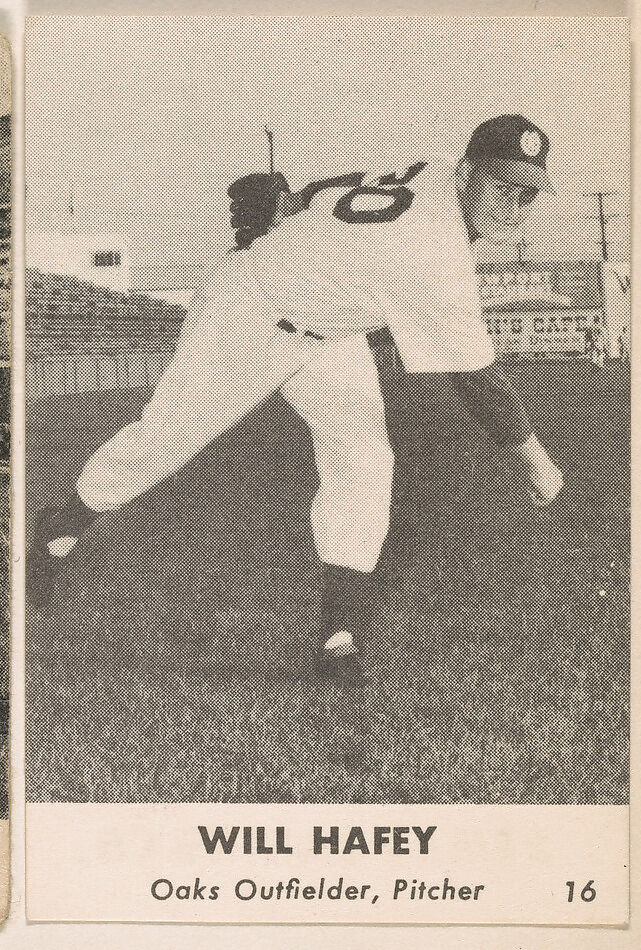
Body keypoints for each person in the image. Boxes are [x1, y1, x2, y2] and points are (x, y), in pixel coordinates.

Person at [27, 114, 563, 685]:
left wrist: (289, 205)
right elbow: (476, 380)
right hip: (247, 317)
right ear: (465, 172)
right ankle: (59, 526)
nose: (510, 202)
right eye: (500, 185)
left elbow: (332, 188)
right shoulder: (436, 246)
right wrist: (536, 459)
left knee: (363, 458)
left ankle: (338, 636)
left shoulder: (426, 176)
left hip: (326, 333)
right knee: (165, 440)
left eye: (524, 192)